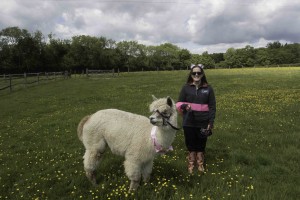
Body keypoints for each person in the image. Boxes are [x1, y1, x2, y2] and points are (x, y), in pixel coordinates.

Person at [176, 64, 216, 174]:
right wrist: (185, 106)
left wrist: (210, 122)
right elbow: (179, 103)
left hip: (203, 121)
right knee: (190, 142)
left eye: (199, 73)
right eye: (194, 73)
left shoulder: (208, 88)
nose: (196, 75)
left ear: (202, 74)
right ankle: (191, 162)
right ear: (191, 75)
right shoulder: (186, 88)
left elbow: (212, 106)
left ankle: (200, 162)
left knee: (201, 142)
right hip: (188, 121)